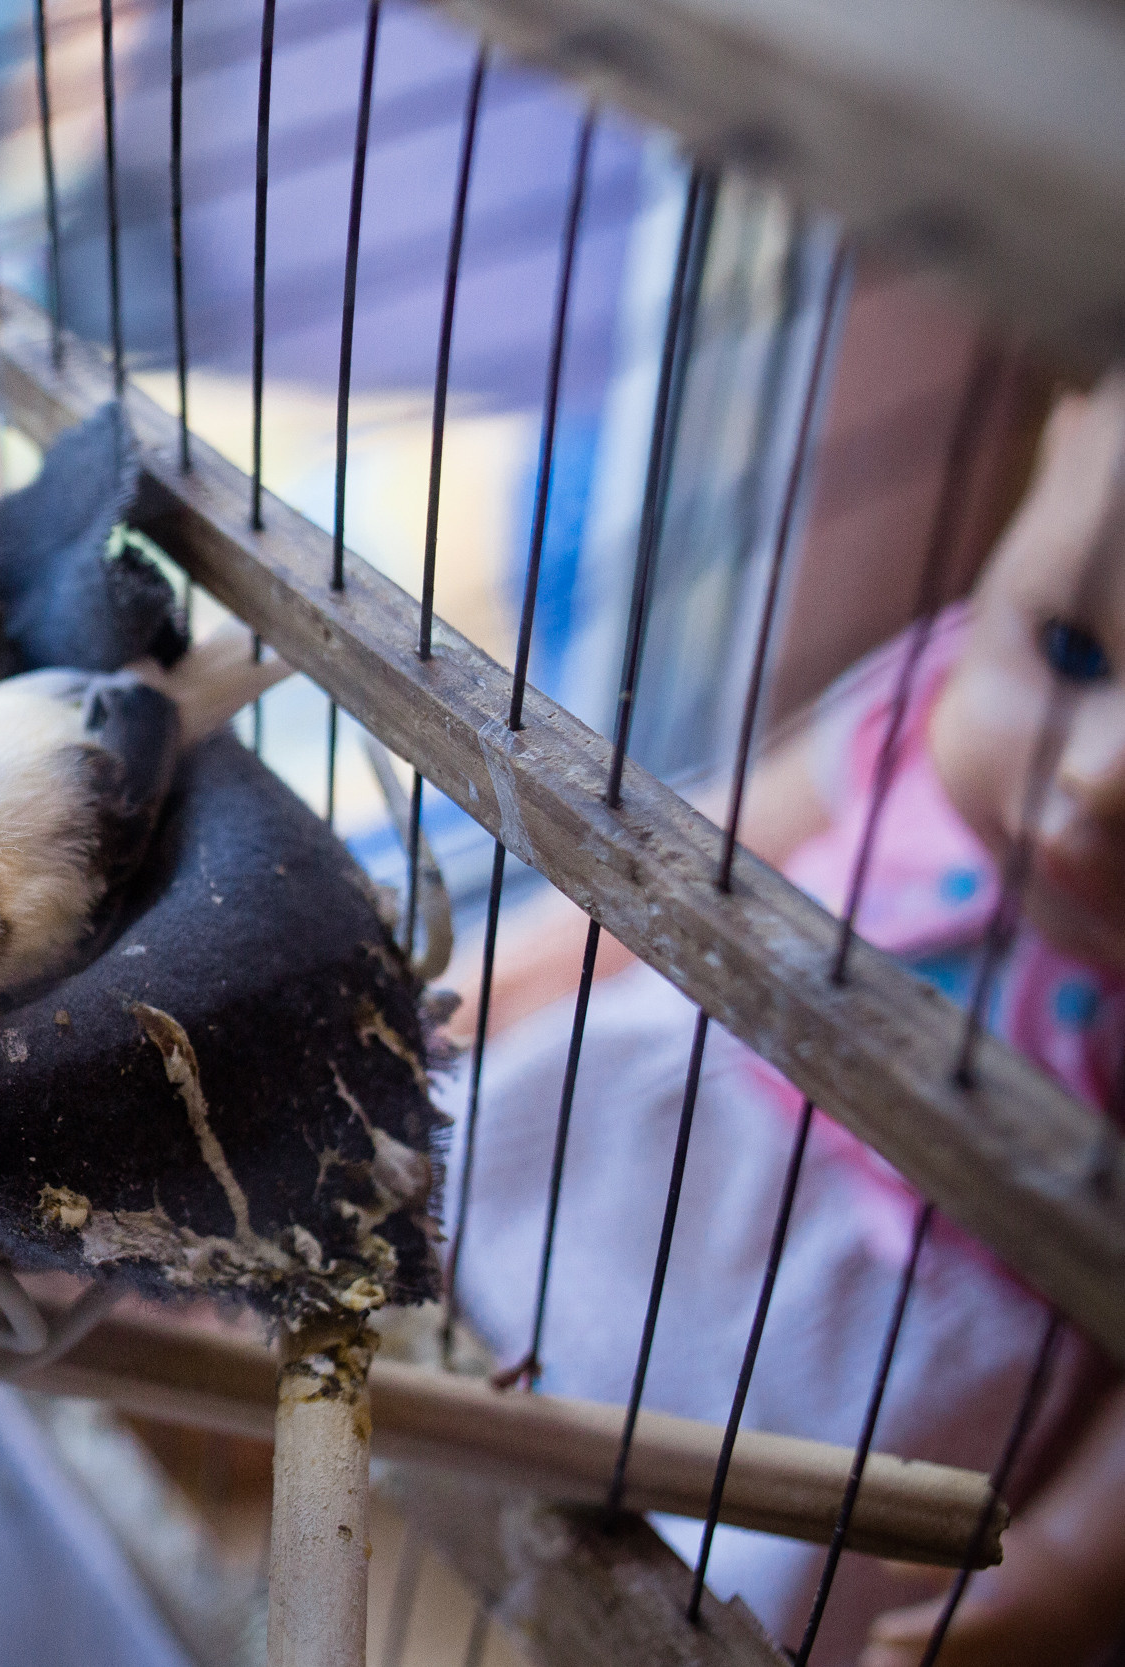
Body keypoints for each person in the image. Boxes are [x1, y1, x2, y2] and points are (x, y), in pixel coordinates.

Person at [439, 371, 1125, 1666]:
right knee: (451, 1192)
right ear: (1059, 444)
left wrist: (1070, 1574)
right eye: (1073, 651)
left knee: (752, 1585)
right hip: (689, 1113)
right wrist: (510, 973)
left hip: (894, 1355)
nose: (1093, 780)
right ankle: (358, 1396)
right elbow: (699, 856)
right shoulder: (926, 693)